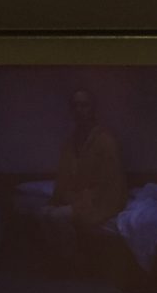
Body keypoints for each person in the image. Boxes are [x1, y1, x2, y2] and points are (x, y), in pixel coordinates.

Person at [38, 88, 127, 272]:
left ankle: (72, 262)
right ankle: (61, 258)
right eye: (75, 106)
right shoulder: (71, 142)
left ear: (93, 109)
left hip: (99, 200)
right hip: (78, 197)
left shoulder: (105, 140)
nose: (80, 110)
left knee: (57, 216)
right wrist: (59, 199)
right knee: (45, 212)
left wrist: (82, 201)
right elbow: (64, 177)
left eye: (84, 105)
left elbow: (110, 182)